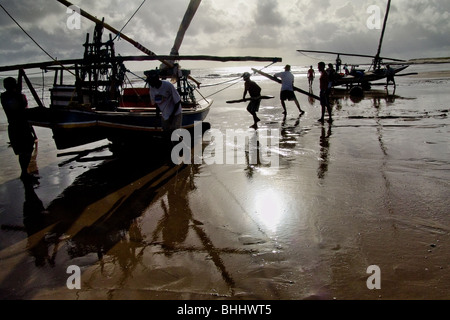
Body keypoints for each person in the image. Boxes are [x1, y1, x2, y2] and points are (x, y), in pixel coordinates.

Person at [1, 77, 36, 181]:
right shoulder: (18, 96)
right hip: (21, 126)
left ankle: (24, 172)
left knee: (22, 151)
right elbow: (23, 105)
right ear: (14, 85)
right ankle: (24, 172)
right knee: (27, 149)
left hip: (12, 127)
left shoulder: (3, 96)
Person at [146, 69, 182, 135]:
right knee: (166, 134)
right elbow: (156, 104)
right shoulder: (152, 89)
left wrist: (172, 116)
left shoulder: (168, 85)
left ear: (156, 79)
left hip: (175, 113)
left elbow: (178, 101)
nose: (150, 83)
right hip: (165, 115)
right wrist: (157, 118)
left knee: (175, 135)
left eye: (151, 81)